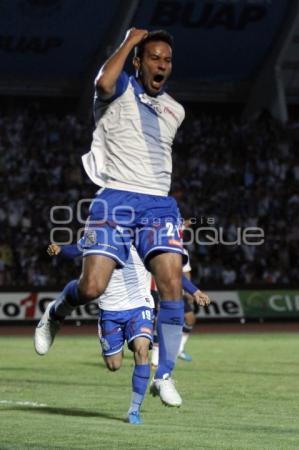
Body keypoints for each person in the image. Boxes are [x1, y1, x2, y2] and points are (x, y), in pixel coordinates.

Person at [35, 28, 187, 407]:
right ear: (138, 61)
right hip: (115, 197)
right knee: (91, 289)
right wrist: (130, 41)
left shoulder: (175, 110)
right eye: (153, 57)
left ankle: (164, 374)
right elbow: (103, 80)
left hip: (157, 203)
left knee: (170, 283)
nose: (161, 65)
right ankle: (57, 311)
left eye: (166, 60)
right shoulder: (117, 90)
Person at [46, 242, 154, 425]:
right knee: (114, 365)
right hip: (110, 309)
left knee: (142, 351)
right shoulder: (104, 234)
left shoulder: (144, 236)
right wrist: (61, 249)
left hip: (139, 305)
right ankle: (58, 306)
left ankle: (134, 410)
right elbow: (79, 249)